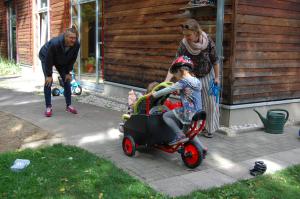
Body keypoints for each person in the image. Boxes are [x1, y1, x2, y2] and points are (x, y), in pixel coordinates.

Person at [165, 19, 220, 138]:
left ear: (197, 32)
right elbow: (175, 63)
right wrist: (166, 81)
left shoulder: (207, 40)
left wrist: (217, 77)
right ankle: (193, 128)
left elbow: (215, 60)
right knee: (191, 104)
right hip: (192, 76)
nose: (186, 37)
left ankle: (209, 129)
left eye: (189, 35)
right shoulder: (184, 44)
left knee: (210, 102)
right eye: (184, 35)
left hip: (207, 74)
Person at [152, 56, 202, 145]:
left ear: (180, 70)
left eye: (175, 73)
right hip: (198, 112)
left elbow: (168, 89)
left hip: (188, 112)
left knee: (166, 116)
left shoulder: (183, 81)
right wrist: (179, 93)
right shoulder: (197, 81)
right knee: (188, 132)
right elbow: (190, 93)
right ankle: (202, 148)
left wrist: (155, 94)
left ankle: (179, 136)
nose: (175, 76)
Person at [39, 25, 80, 117]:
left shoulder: (76, 44)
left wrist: (68, 72)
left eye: (75, 38)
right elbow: (49, 59)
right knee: (48, 81)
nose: (73, 40)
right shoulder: (55, 43)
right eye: (71, 38)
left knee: (67, 79)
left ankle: (69, 105)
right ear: (65, 37)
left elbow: (72, 58)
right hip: (46, 56)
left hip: (61, 59)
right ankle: (48, 107)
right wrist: (49, 75)